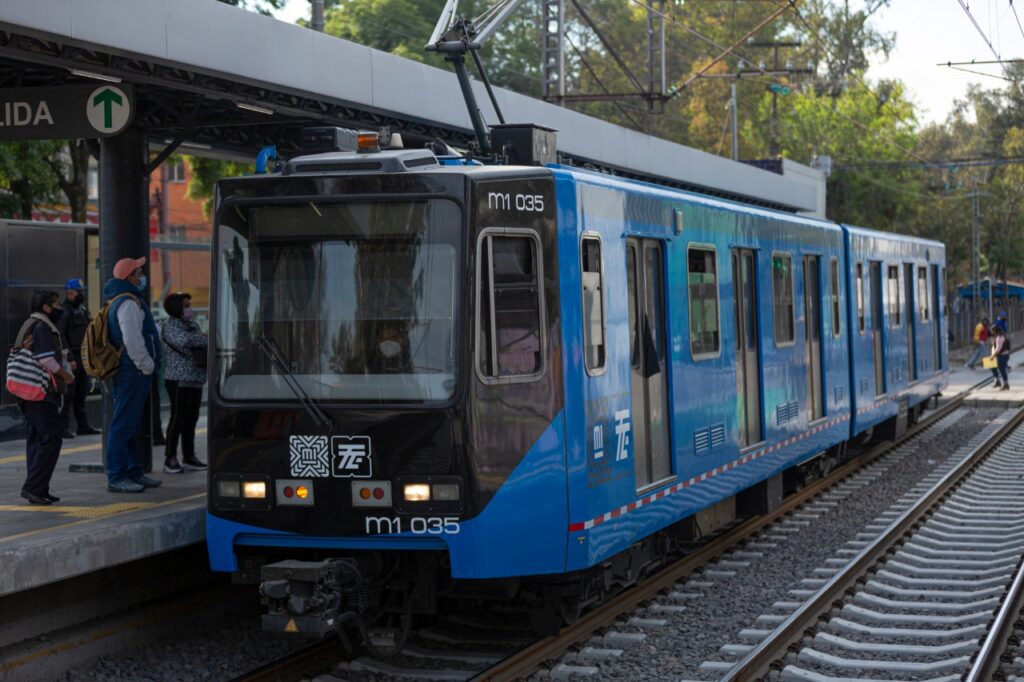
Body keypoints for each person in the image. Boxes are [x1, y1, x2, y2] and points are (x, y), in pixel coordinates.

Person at [103, 257, 162, 493]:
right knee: (122, 425)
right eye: (139, 272)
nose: (142, 277)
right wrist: (146, 365)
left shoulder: (125, 299)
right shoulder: (127, 303)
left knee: (129, 425)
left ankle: (133, 471)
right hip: (132, 371)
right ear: (129, 277)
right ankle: (117, 476)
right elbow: (132, 339)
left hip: (132, 370)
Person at [14, 291, 75, 505]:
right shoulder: (42, 327)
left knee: (37, 439)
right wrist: (65, 375)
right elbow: (46, 359)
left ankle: (39, 488)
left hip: (27, 391)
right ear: (47, 307)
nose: (60, 308)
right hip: (40, 391)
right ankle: (33, 487)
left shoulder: (29, 323)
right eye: (56, 304)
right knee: (51, 438)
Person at [161, 292, 208, 474]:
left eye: (189, 304)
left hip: (195, 378)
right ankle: (169, 458)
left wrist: (202, 338)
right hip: (178, 379)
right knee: (178, 418)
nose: (190, 308)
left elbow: (200, 340)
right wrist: (203, 338)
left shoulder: (191, 324)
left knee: (191, 419)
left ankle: (189, 456)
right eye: (186, 305)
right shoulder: (170, 326)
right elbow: (185, 341)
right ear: (176, 308)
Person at [56, 278, 100, 438]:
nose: (77, 295)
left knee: (81, 394)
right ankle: (63, 427)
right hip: (73, 357)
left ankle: (83, 426)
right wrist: (70, 358)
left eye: (79, 292)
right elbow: (60, 334)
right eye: (75, 292)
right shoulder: (65, 311)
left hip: (84, 356)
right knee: (69, 395)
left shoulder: (82, 310)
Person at [991, 325, 1011, 390]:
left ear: (995, 331)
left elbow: (998, 349)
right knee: (993, 367)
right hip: (1001, 355)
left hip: (1002, 356)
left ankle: (1005, 384)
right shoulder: (1000, 336)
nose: (992, 333)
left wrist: (992, 356)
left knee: (1002, 370)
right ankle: (997, 381)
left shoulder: (999, 338)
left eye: (992, 331)